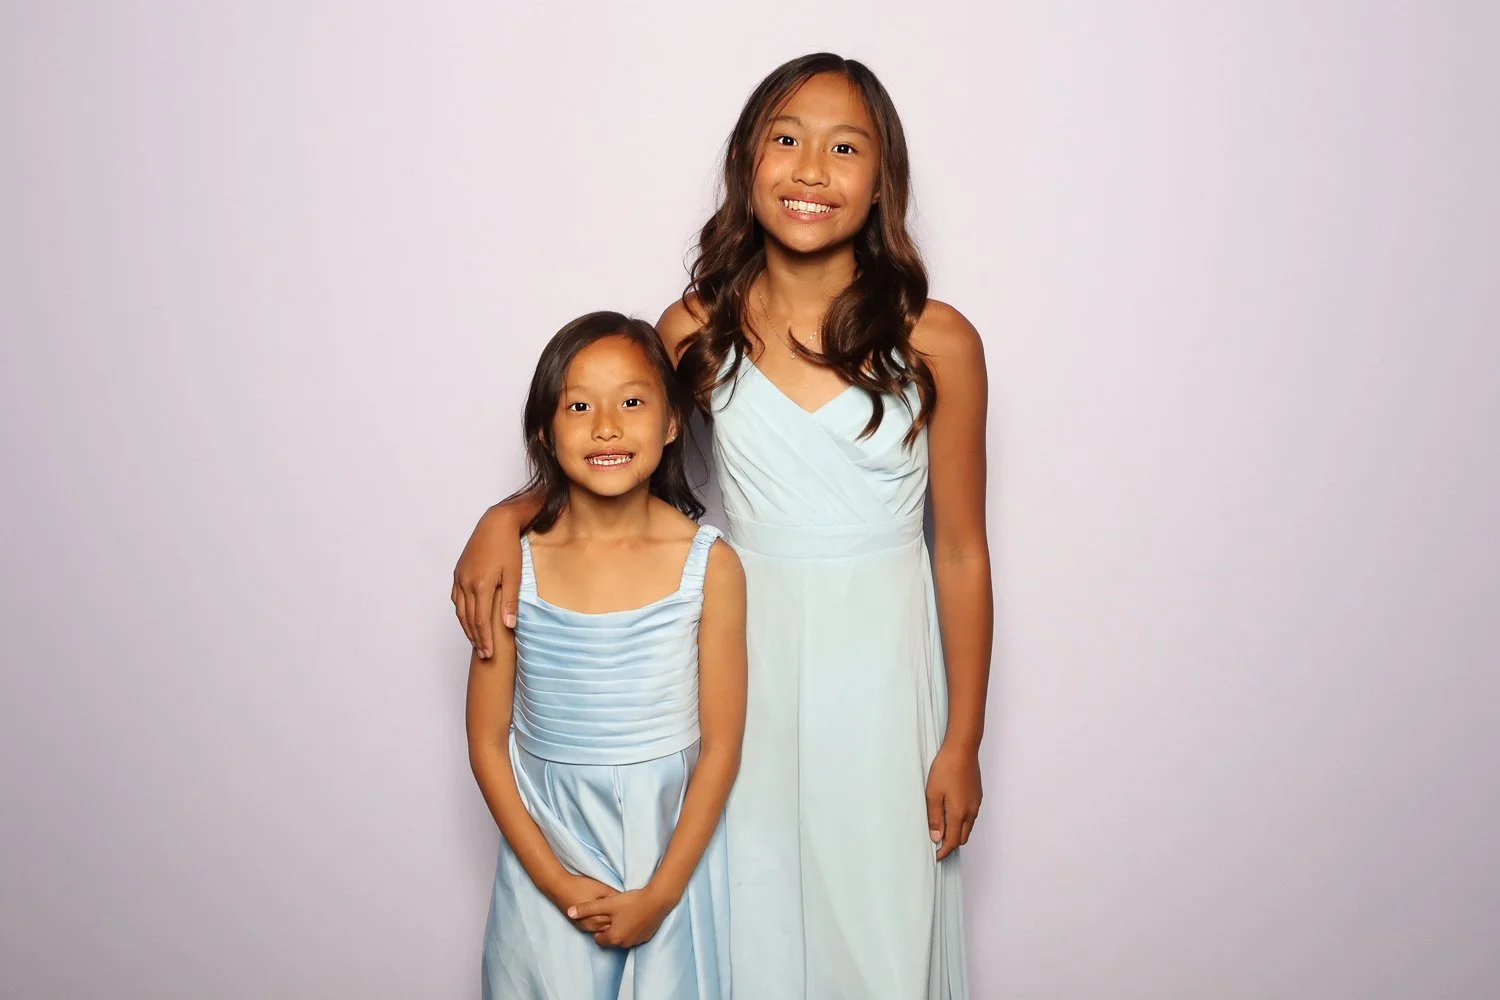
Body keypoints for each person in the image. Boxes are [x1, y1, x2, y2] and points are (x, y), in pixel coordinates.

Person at [457, 54, 992, 999]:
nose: (812, 169)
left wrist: (961, 740)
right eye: (785, 141)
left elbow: (959, 550)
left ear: (881, 183)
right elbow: (611, 452)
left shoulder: (936, 338)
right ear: (749, 164)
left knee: (877, 920)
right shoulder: (692, 327)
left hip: (881, 678)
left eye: (844, 147)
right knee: (748, 918)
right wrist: (505, 515)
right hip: (732, 663)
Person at [465, 311, 746, 999]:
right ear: (544, 431)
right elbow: (486, 743)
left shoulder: (709, 566)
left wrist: (660, 893)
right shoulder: (514, 566)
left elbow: (720, 748)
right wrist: (557, 883)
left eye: (632, 401)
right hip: (547, 853)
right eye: (580, 406)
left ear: (674, 422)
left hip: (667, 854)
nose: (607, 427)